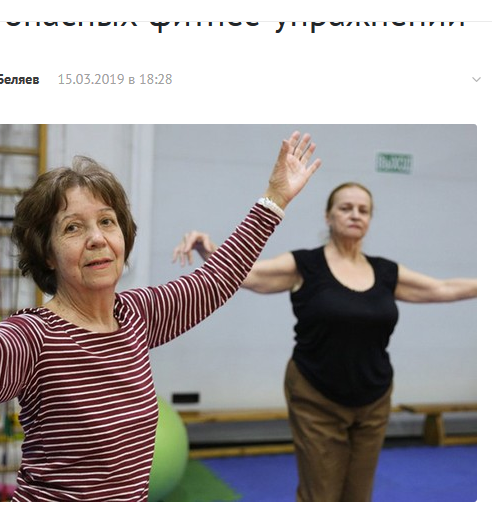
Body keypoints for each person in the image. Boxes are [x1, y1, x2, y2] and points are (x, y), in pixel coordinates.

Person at [0, 131, 322, 502]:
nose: (97, 238)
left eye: (107, 222)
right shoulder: (34, 336)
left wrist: (274, 198)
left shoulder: (135, 315)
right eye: (73, 228)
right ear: (47, 253)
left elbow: (216, 279)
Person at [173, 181, 477, 502]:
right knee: (320, 495)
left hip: (373, 398)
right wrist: (209, 250)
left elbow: (442, 288)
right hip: (315, 394)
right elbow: (248, 274)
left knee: (358, 497)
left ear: (370, 219)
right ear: (328, 216)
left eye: (363, 210)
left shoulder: (386, 272)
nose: (355, 215)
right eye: (345, 208)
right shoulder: (305, 265)